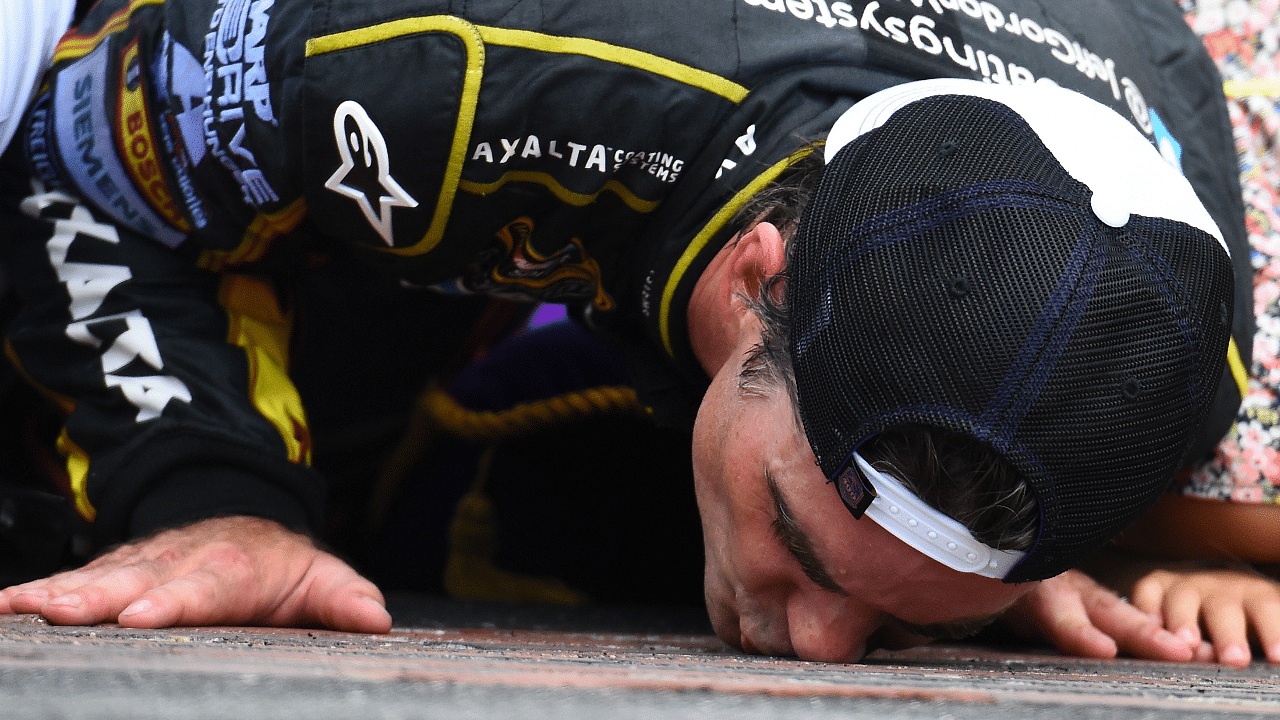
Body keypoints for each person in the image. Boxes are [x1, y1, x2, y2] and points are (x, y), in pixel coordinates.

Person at [0, 0, 1275, 668]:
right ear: (750, 282)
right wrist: (212, 492)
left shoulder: (1179, 347)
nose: (823, 652)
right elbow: (79, 156)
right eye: (800, 545)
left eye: (893, 623)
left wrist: (948, 581)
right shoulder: (446, 68)